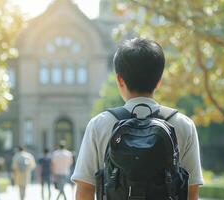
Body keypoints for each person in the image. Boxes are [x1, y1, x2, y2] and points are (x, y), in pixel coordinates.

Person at [71, 38, 204, 200]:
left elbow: (84, 190)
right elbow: (191, 192)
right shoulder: (183, 125)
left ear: (120, 79)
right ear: (159, 81)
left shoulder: (99, 124)